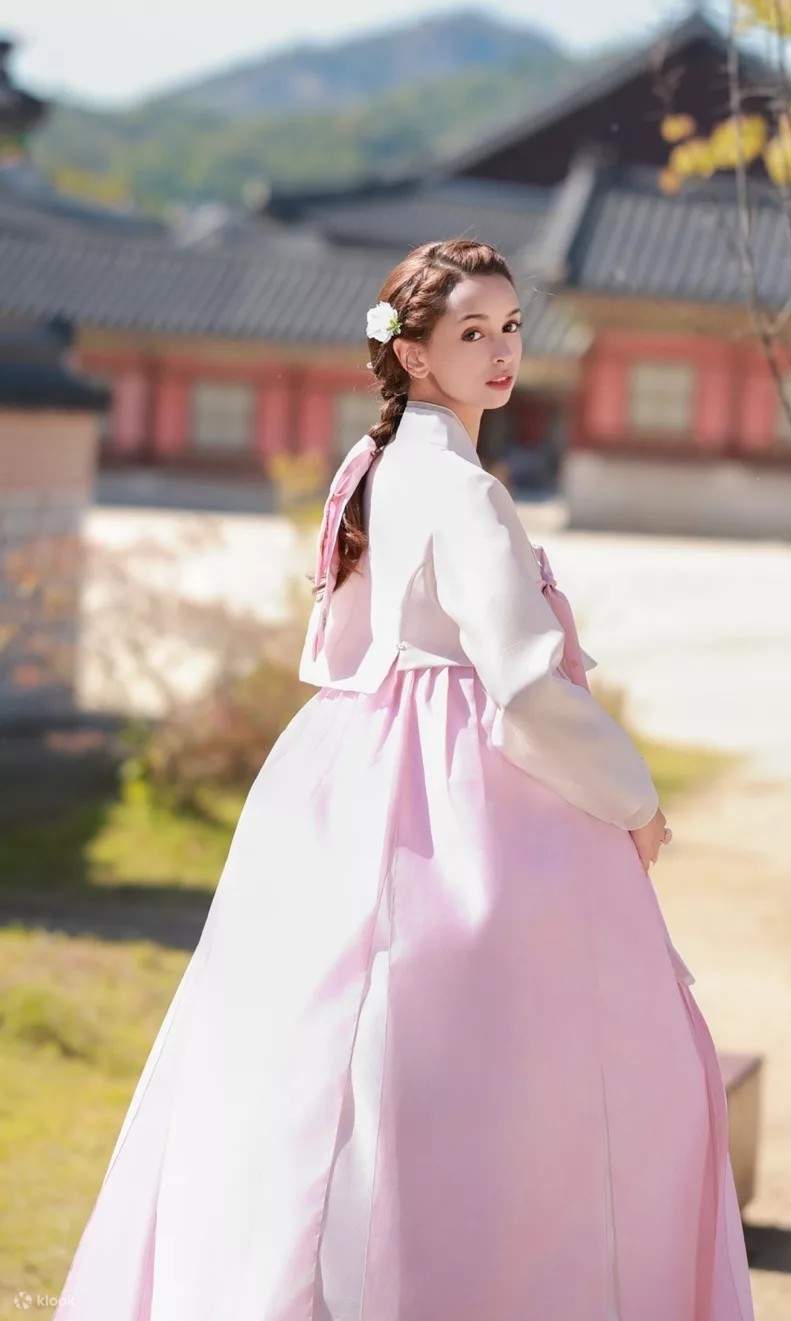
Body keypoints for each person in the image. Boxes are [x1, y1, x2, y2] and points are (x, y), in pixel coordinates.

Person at [56, 238, 755, 1320]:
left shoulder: (377, 465)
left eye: (512, 326)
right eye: (471, 332)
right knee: (519, 1074)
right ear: (414, 356)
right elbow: (523, 689)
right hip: (457, 796)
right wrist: (634, 799)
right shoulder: (462, 491)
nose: (502, 351)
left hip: (353, 772)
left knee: (319, 1061)